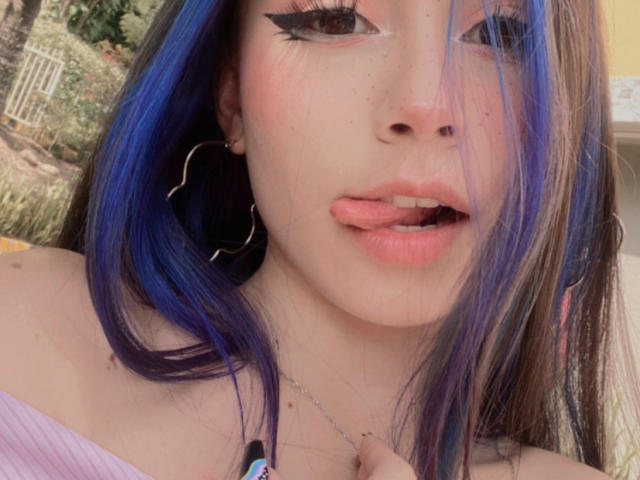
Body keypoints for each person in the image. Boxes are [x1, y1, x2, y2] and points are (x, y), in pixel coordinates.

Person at [0, 0, 637, 478]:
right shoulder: (27, 337)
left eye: (499, 32)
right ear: (231, 95)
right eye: (334, 18)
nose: (425, 105)